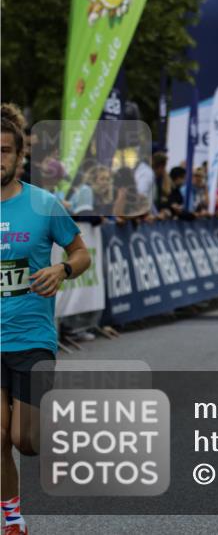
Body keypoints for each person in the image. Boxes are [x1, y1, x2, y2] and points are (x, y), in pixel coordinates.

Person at [2, 104, 92, 535]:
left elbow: (81, 253)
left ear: (20, 157)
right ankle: (12, 519)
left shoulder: (43, 204)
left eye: (4, 151)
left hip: (33, 337)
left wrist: (62, 270)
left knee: (26, 441)